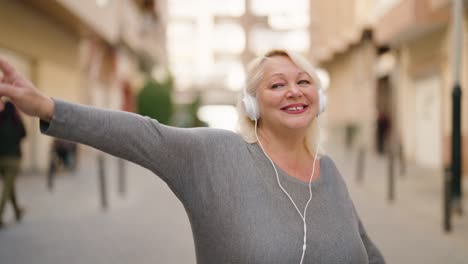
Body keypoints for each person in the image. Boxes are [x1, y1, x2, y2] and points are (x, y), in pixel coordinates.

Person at [0, 50, 385, 263]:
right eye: (277, 84)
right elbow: (142, 135)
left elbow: (367, 253)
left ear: (319, 100)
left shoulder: (329, 171)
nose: (294, 91)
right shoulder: (216, 155)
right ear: (252, 103)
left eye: (304, 82)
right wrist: (47, 107)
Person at [0, 101, 26, 228]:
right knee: (7, 187)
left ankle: (17, 211)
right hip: (14, 159)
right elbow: (24, 134)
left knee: (9, 185)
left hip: (1, 159)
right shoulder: (17, 121)